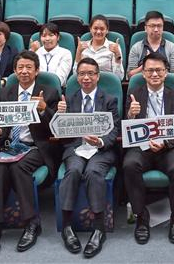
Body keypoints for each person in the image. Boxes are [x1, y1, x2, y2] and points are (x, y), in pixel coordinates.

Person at [0, 50, 60, 256]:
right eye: (20, 68)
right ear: (15, 71)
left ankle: (31, 223)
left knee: (19, 167)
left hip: (35, 146)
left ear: (37, 70)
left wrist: (43, 109)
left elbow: (56, 128)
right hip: (9, 145)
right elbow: (0, 128)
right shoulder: (5, 92)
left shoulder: (49, 92)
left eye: (28, 67)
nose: (24, 71)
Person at [57, 58, 120, 258]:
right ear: (77, 77)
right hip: (76, 147)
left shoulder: (109, 99)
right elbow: (60, 133)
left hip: (100, 149)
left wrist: (100, 142)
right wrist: (59, 116)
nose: (86, 78)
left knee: (93, 172)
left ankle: (99, 229)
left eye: (91, 73)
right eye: (82, 74)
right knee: (73, 170)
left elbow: (114, 130)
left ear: (98, 76)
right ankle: (67, 226)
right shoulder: (69, 99)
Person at [124, 52, 174, 244]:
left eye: (159, 70)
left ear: (166, 72)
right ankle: (141, 217)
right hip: (141, 147)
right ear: (143, 73)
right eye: (150, 70)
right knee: (129, 165)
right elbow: (125, 128)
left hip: (167, 146)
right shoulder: (134, 94)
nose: (154, 74)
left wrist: (165, 143)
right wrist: (131, 114)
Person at [127, 10, 174, 77]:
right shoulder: (136, 48)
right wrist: (144, 65)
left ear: (163, 27)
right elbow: (130, 75)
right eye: (152, 26)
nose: (156, 29)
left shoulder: (172, 47)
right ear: (145, 28)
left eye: (159, 26)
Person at [75, 15, 124, 80]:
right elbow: (75, 75)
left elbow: (119, 77)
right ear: (90, 29)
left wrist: (117, 55)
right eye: (95, 28)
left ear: (107, 30)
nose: (98, 32)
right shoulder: (82, 47)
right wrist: (78, 53)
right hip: (85, 83)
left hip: (106, 83)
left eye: (102, 29)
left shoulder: (114, 47)